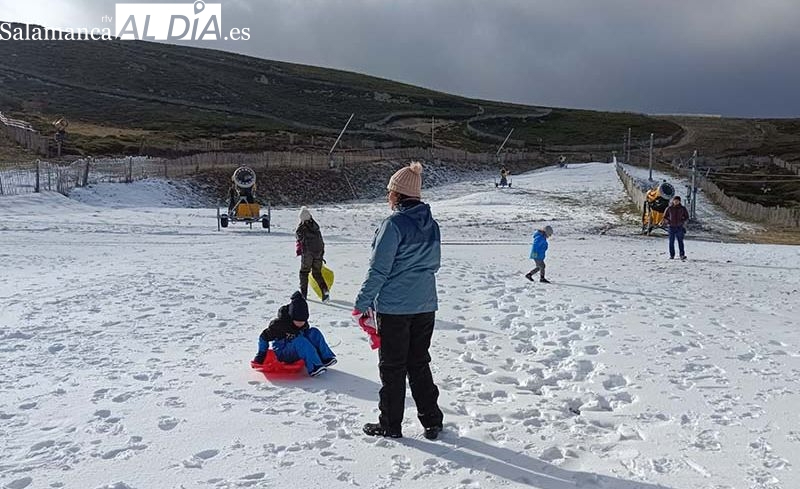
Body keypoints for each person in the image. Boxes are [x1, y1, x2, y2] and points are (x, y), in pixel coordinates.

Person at [352, 161, 444, 440]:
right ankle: (432, 421)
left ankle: (390, 424)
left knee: (392, 367)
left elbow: (379, 269)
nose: (387, 196)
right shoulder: (432, 225)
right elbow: (434, 264)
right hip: (426, 305)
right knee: (419, 362)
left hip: (395, 308)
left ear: (398, 195)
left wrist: (361, 303)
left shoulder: (393, 225)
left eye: (390, 191)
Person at [252, 291, 337, 377]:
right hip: (282, 352)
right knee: (299, 340)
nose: (300, 324)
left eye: (303, 321)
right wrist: (260, 355)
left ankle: (325, 358)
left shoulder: (303, 324)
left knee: (314, 332)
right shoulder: (279, 325)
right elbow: (263, 337)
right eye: (297, 321)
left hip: (296, 349)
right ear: (292, 317)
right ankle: (314, 367)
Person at [296, 207, 329, 301]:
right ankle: (325, 292)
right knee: (317, 273)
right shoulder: (316, 227)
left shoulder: (302, 228)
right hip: (319, 252)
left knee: (304, 273)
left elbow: (298, 237)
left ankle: (303, 295)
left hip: (307, 254)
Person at [660, 196, 690, 260]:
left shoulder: (683, 208)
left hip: (679, 227)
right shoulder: (669, 208)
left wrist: (683, 221)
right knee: (671, 242)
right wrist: (667, 220)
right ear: (673, 201)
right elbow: (664, 216)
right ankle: (672, 255)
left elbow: (687, 217)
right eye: (675, 200)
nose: (676, 202)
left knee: (680, 242)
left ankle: (682, 255)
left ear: (679, 201)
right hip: (671, 227)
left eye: (677, 201)